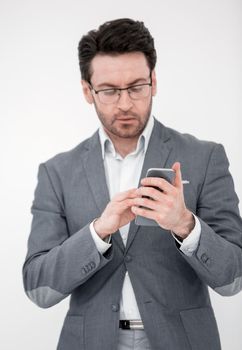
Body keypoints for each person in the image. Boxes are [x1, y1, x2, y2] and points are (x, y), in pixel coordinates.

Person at [23, 18, 242, 350]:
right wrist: (98, 233)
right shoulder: (57, 172)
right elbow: (38, 287)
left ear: (154, 81)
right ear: (87, 90)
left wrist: (184, 224)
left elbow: (233, 278)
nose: (124, 104)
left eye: (136, 87)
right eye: (110, 91)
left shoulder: (205, 156)